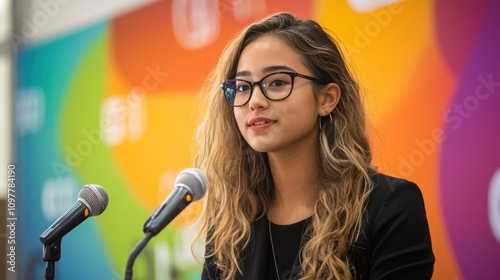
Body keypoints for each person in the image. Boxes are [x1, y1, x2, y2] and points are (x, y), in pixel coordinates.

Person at [194, 12, 434, 280]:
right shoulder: (231, 226)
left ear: (326, 99)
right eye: (241, 87)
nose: (255, 101)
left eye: (277, 82)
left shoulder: (388, 206)